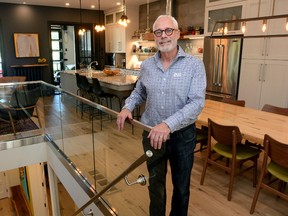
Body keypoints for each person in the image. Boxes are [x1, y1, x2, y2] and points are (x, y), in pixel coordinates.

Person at [116, 15, 206, 216]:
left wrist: (168, 124)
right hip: (151, 136)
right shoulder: (147, 66)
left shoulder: (194, 65)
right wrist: (127, 107)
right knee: (155, 186)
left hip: (182, 137)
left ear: (177, 34)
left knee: (181, 189)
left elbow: (197, 103)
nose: (163, 36)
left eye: (168, 31)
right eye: (158, 32)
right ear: (154, 37)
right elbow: (139, 92)